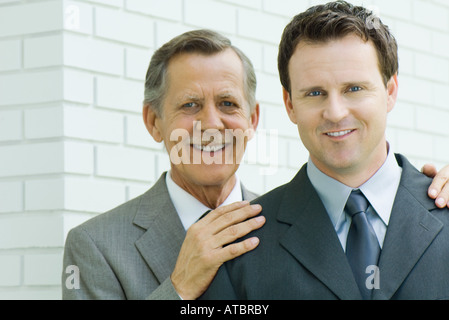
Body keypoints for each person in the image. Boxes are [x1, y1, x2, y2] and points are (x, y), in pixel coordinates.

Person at [201, 1, 449, 300]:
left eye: (354, 89)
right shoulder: (238, 245)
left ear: (390, 91)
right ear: (290, 104)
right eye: (315, 93)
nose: (334, 112)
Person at [62, 29, 265, 300]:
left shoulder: (291, 229)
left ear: (252, 120)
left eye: (228, 103)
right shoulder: (94, 246)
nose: (212, 124)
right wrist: (178, 288)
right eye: (190, 105)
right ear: (153, 121)